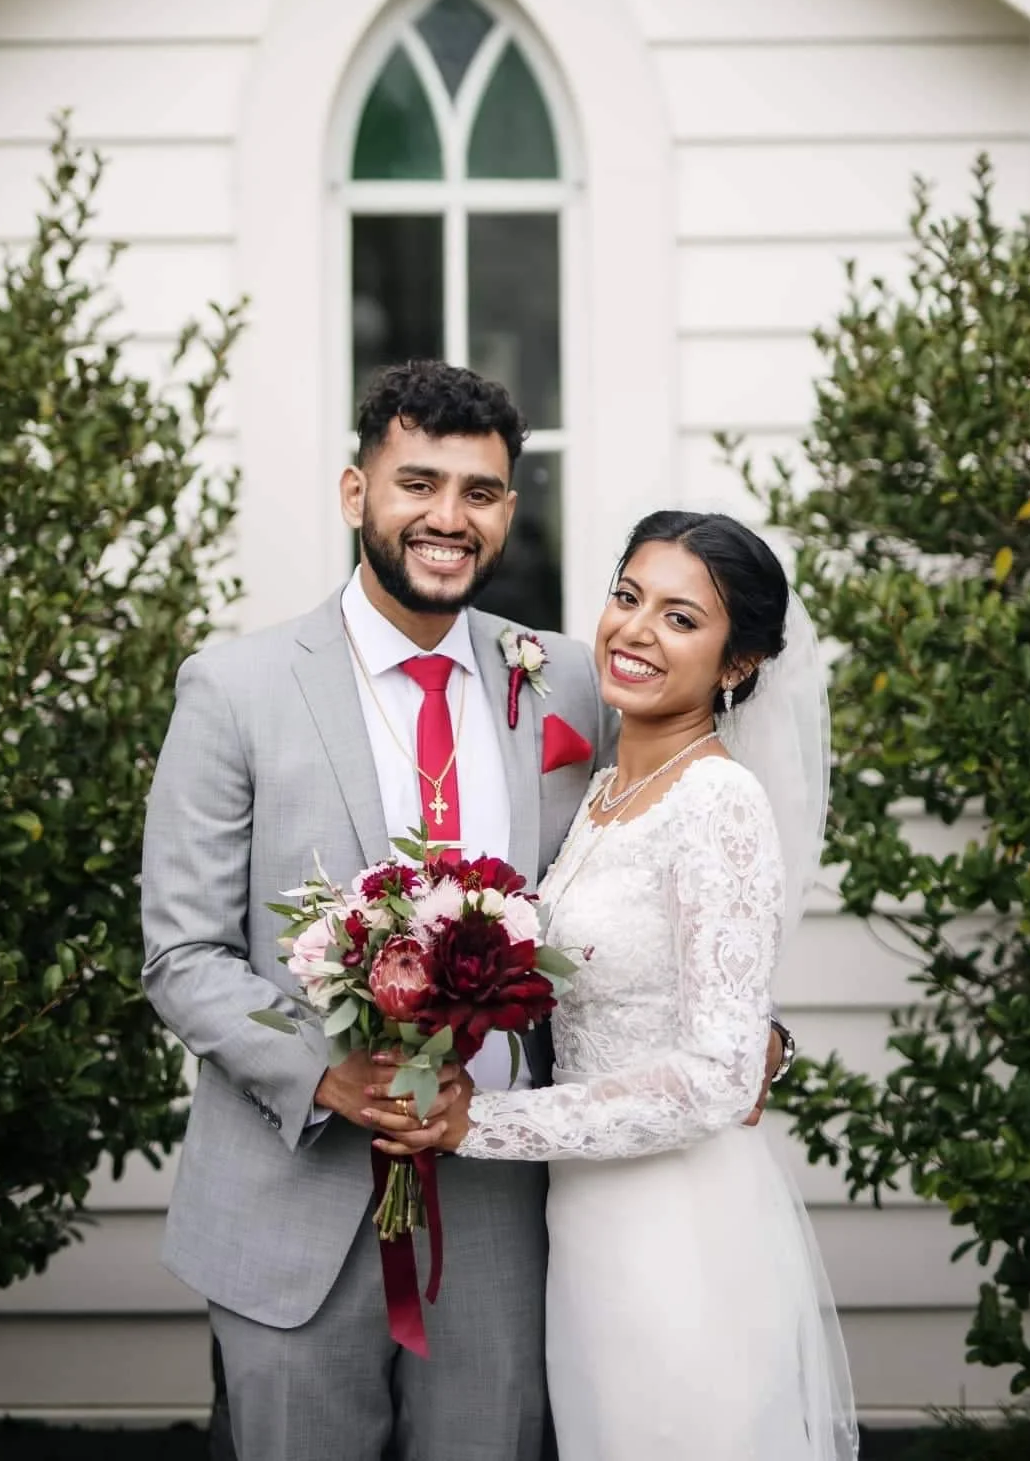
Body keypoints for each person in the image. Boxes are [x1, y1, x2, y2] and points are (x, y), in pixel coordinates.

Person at [141, 363, 788, 1461]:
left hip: (503, 1211)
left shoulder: (576, 679)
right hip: (292, 1197)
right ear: (356, 493)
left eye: (479, 492)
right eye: (418, 483)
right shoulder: (234, 688)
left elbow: (669, 871)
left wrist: (750, 1034)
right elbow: (182, 953)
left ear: (506, 511)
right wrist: (325, 1076)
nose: (448, 517)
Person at [367, 509, 858, 1460]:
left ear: (737, 663)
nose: (635, 629)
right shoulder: (604, 791)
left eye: (681, 618)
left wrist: (481, 1124)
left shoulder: (718, 801)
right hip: (587, 1219)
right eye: (627, 596)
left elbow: (718, 1076)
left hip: (677, 1222)